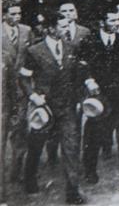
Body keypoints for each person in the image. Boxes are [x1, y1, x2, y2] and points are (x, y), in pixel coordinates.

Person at [19, 14, 86, 204]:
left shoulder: (71, 47)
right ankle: (30, 178)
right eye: (63, 26)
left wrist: (80, 96)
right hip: (45, 107)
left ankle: (73, 192)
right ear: (50, 29)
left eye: (68, 25)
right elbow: (23, 77)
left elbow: (76, 75)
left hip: (67, 107)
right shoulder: (34, 51)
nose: (67, 29)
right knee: (36, 144)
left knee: (71, 147)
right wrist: (33, 96)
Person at [76, 9, 119, 196]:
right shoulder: (90, 42)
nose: (116, 23)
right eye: (112, 19)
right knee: (93, 137)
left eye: (118, 20)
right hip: (100, 100)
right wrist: (88, 80)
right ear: (102, 22)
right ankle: (90, 170)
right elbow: (82, 66)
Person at [2, 2, 33, 195]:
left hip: (21, 90)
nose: (17, 16)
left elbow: (30, 56)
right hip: (3, 93)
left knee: (20, 132)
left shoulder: (26, 30)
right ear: (4, 15)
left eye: (19, 13)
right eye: (13, 13)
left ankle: (17, 171)